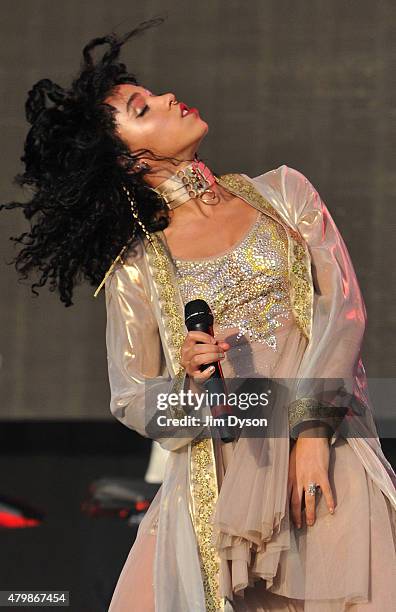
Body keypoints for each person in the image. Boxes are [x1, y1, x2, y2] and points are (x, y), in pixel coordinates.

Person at [2, 18, 395, 612]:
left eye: (151, 92)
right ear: (131, 162)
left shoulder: (284, 192)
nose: (165, 97)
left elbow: (343, 311)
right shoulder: (138, 265)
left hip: (326, 455)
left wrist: (311, 434)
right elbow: (132, 397)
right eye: (142, 108)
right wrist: (193, 385)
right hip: (220, 481)